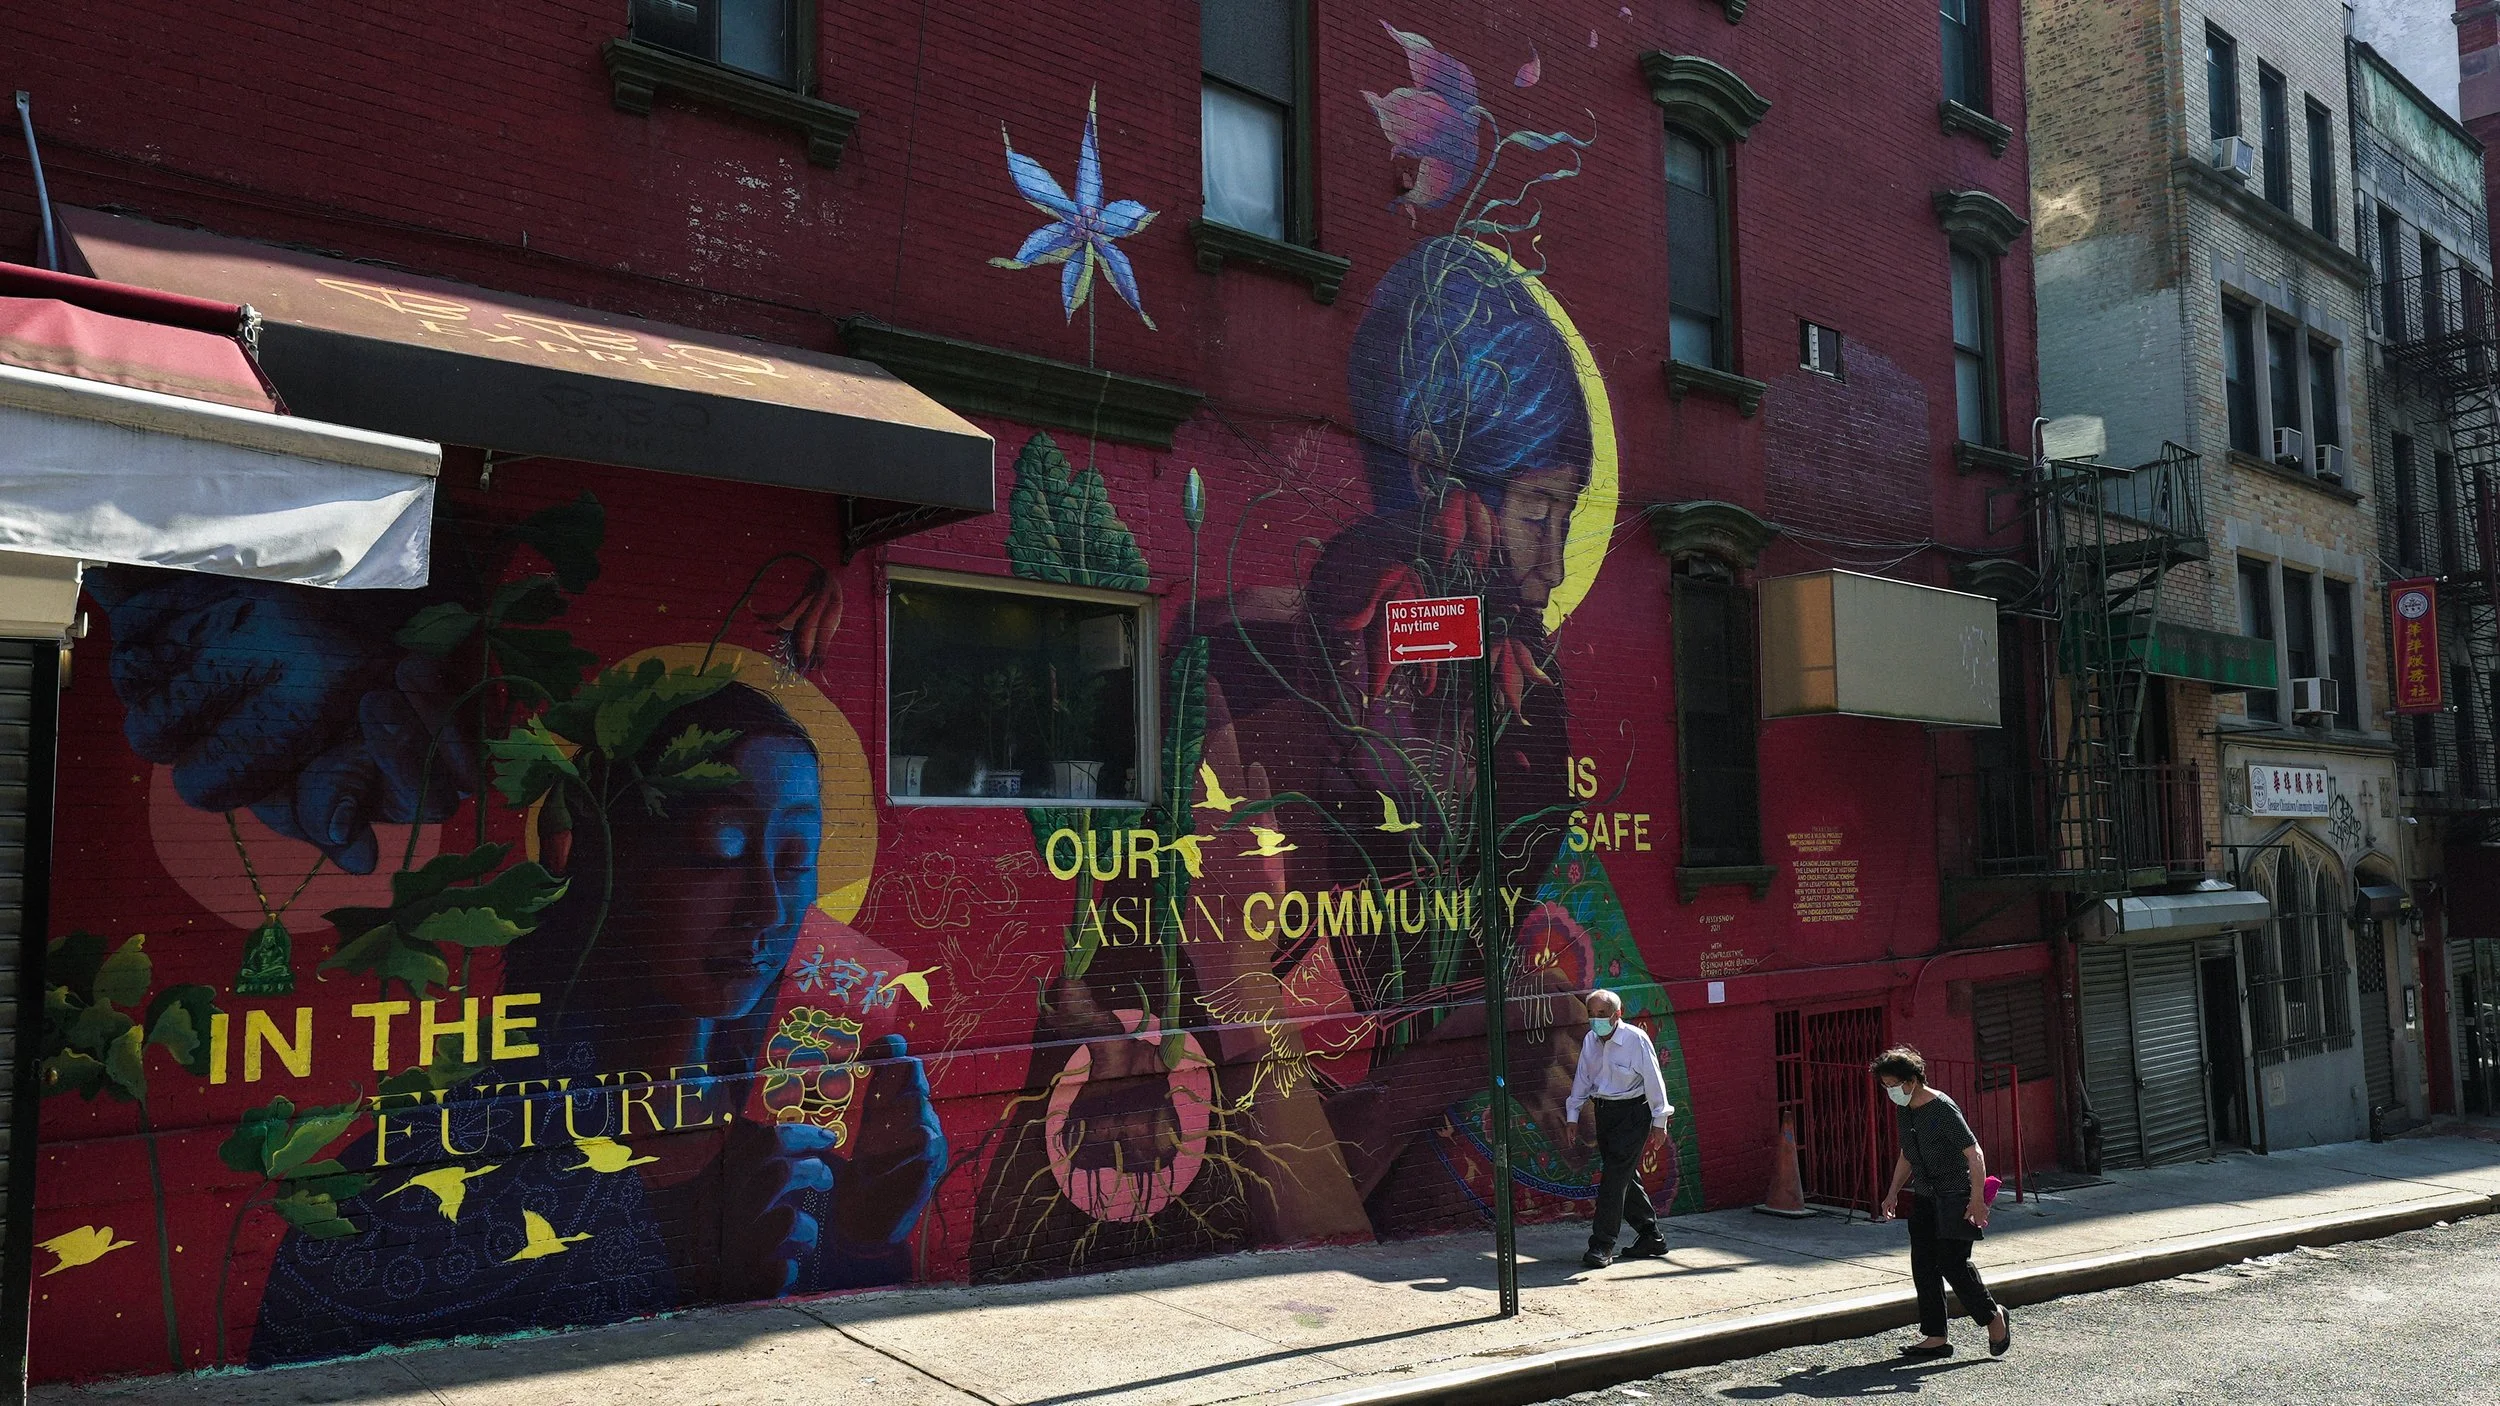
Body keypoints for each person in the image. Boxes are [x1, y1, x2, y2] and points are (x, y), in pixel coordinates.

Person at [1870, 1046, 2010, 1359]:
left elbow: (1974, 1154)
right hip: (1924, 1198)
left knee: (1951, 1263)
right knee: (1923, 1265)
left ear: (1911, 1080)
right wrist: (1893, 1191)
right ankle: (1935, 1336)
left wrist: (1976, 1200)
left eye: (1893, 1085)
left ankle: (1993, 1316)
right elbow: (1908, 1153)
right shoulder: (1904, 1109)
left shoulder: (1942, 1108)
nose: (1889, 1091)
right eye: (1885, 1086)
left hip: (1954, 1197)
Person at [1563, 990, 1673, 1269]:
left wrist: (1660, 1122)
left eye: (1601, 1014)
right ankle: (1651, 1236)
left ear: (1617, 1015)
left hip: (1633, 1113)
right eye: (1591, 1014)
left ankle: (1602, 1244)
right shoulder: (1591, 1040)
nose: (1595, 1020)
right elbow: (1583, 1078)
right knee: (1624, 1175)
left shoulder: (1635, 1040)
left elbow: (1654, 1080)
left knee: (1613, 1178)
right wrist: (1573, 1115)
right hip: (1604, 1112)